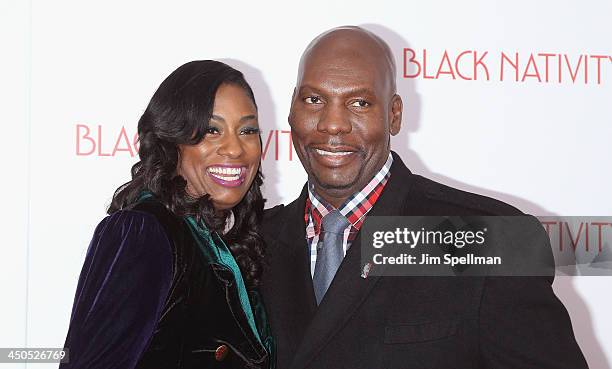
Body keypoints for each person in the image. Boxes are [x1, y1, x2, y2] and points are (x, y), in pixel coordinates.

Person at [260, 26, 588, 369]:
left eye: (359, 103)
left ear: (395, 115)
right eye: (314, 100)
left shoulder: (491, 240)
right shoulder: (249, 243)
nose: (332, 124)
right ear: (292, 108)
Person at [60, 60, 273, 369]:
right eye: (212, 130)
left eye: (247, 130)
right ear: (172, 141)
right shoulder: (144, 232)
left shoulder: (217, 241)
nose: (235, 149)